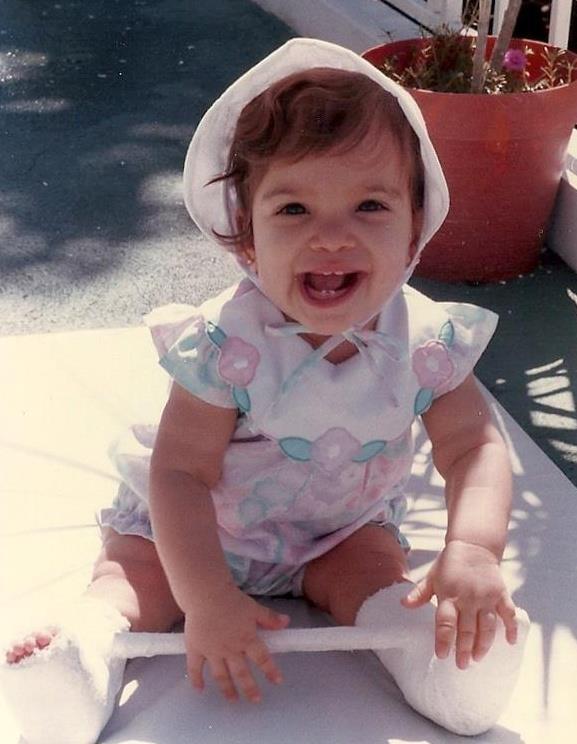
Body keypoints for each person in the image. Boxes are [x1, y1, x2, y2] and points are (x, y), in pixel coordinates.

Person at [1, 38, 529, 743]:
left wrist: (470, 549)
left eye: (370, 205)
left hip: (335, 533)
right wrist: (207, 597)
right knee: (136, 579)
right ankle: (79, 660)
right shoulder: (227, 346)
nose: (332, 237)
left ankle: (435, 657)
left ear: (413, 235)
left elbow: (472, 447)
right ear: (246, 241)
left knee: (375, 574)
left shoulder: (427, 343)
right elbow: (181, 472)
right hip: (197, 534)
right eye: (293, 211)